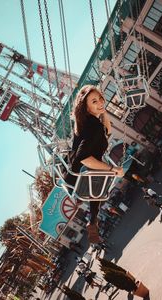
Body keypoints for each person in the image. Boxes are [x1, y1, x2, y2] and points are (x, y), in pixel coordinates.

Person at [65, 85, 124, 243]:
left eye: (100, 99)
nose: (100, 103)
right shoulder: (93, 126)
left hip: (76, 176)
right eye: (94, 101)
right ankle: (93, 220)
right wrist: (113, 169)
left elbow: (107, 132)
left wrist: (103, 113)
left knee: (98, 177)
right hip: (80, 175)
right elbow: (83, 157)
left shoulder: (88, 123)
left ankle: (93, 221)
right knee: (101, 172)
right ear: (86, 107)